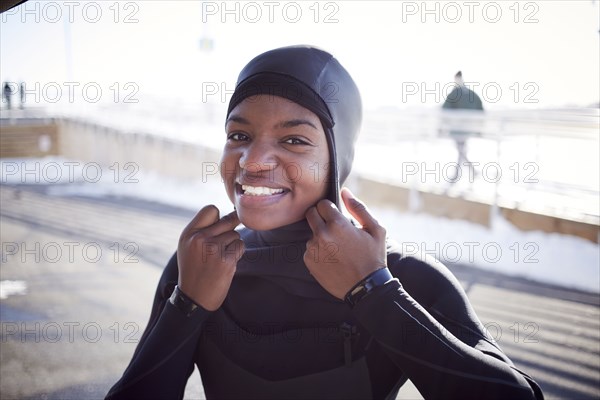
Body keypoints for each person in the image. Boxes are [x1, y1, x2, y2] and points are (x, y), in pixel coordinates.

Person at [106, 46, 544, 400]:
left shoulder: (405, 277)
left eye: (294, 140)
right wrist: (187, 305)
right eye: (239, 135)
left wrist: (373, 292)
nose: (252, 161)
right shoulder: (199, 266)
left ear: (338, 159)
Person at [441, 71, 484, 183]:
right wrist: (478, 126)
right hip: (467, 129)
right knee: (461, 150)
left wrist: (442, 126)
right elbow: (480, 109)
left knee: (461, 151)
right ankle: (470, 171)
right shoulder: (470, 94)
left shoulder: (455, 94)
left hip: (458, 129)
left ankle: (459, 174)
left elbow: (444, 110)